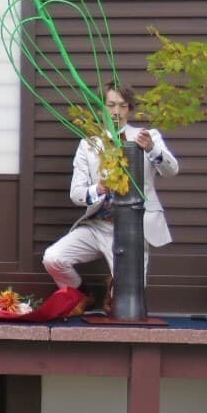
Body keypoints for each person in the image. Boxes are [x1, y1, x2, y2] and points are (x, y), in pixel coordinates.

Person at [42, 84, 179, 308]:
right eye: (111, 105)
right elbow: (76, 194)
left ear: (130, 109)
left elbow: (172, 170)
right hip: (98, 225)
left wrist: (152, 148)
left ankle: (113, 291)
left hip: (134, 229)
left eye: (122, 106)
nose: (116, 111)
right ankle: (81, 294)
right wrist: (99, 189)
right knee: (53, 258)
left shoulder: (147, 136)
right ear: (101, 109)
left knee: (124, 304)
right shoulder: (89, 145)